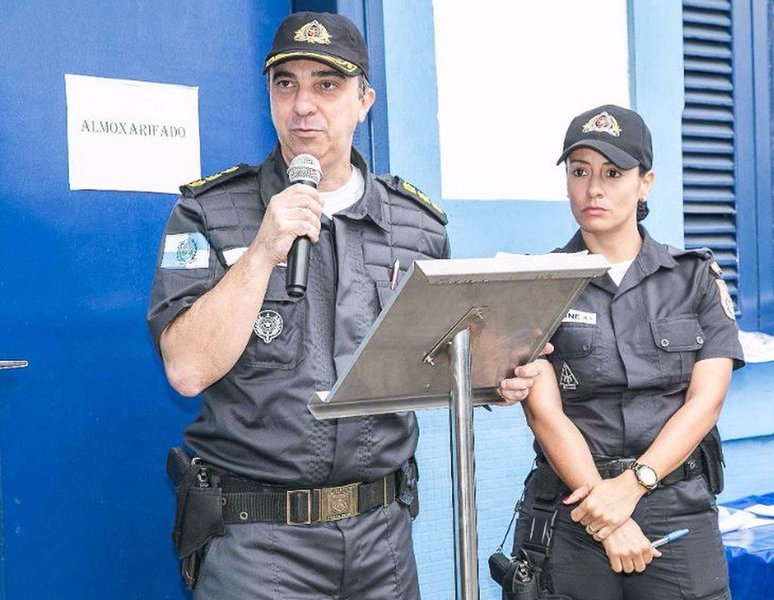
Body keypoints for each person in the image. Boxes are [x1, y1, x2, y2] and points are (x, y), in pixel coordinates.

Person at [148, 12, 541, 599]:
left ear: (365, 101)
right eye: (287, 84)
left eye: (327, 85)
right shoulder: (210, 213)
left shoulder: (417, 226)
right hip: (257, 543)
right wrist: (262, 252)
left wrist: (498, 381)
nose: (304, 104)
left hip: (381, 538)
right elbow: (185, 369)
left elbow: (438, 364)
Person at [496, 105, 744, 600]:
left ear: (645, 182)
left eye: (613, 173)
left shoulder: (694, 277)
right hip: (574, 506)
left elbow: (705, 402)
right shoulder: (537, 283)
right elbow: (544, 414)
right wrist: (607, 516)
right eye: (580, 172)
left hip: (674, 502)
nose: (594, 189)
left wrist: (633, 486)